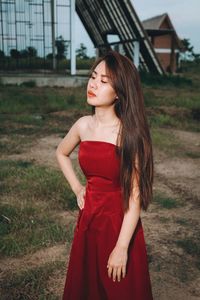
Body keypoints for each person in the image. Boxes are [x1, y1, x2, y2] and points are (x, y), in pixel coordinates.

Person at [56, 50, 154, 300]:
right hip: (88, 219)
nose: (93, 84)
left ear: (119, 92)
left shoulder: (129, 134)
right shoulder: (82, 125)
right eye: (93, 76)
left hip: (118, 223)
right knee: (87, 288)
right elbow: (61, 153)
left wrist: (122, 247)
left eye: (104, 81)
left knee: (119, 289)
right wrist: (78, 188)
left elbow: (134, 196)